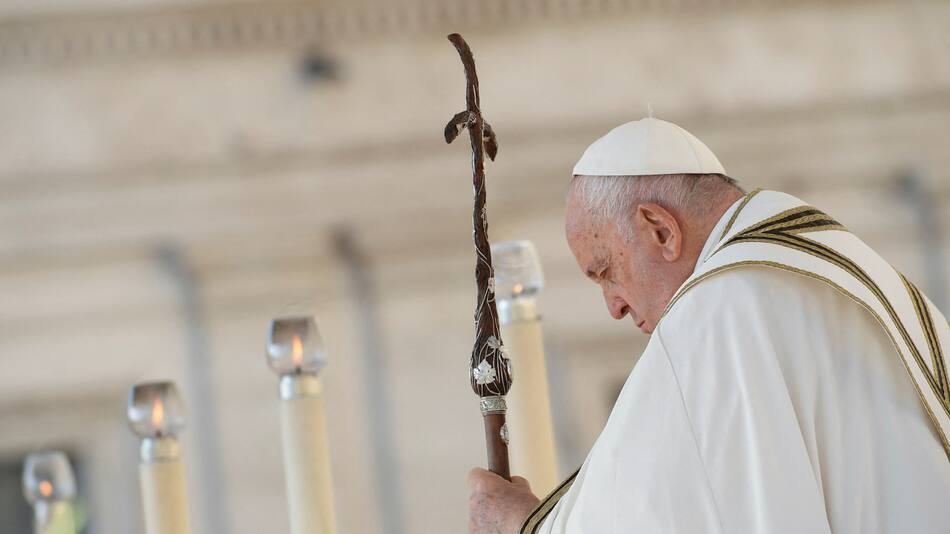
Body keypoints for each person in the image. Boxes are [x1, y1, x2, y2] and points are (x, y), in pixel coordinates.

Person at [468, 118, 950, 534]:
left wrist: (524, 525)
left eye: (605, 271)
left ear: (660, 229)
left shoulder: (721, 309)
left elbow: (661, 515)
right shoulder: (849, 267)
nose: (613, 306)